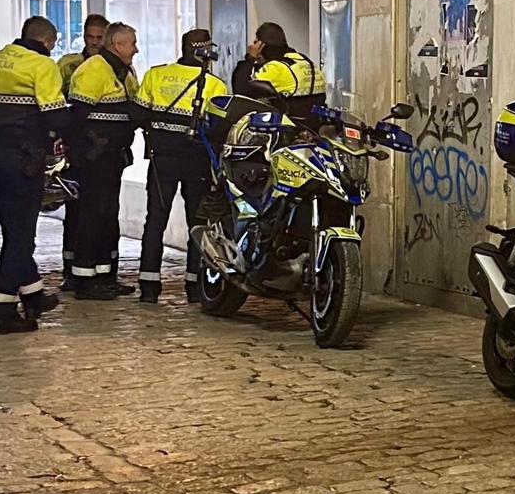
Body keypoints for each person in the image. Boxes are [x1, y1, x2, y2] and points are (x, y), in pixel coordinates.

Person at [0, 16, 70, 334]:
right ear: (49, 43)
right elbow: (55, 116)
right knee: (21, 238)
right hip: (23, 163)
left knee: (13, 232)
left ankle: (34, 295)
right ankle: (1, 311)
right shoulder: (42, 66)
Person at [133, 28, 230, 303]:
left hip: (161, 158)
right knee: (197, 224)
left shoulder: (156, 74)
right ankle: (194, 286)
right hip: (196, 161)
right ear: (204, 50)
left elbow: (139, 114)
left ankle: (149, 286)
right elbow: (217, 127)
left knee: (155, 220)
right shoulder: (214, 84)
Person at [65, 21, 141, 301]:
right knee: (92, 215)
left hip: (113, 157)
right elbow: (77, 116)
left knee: (108, 217)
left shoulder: (123, 70)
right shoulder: (94, 69)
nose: (136, 49)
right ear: (118, 45)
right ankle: (85, 280)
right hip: (94, 158)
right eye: (132, 43)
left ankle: (106, 276)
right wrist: (85, 151)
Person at [55, 15, 107, 277]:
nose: (95, 42)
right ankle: (71, 267)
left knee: (104, 212)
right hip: (75, 146)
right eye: (91, 37)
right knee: (74, 209)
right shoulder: (68, 64)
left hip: (105, 150)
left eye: (100, 38)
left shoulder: (117, 67)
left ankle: (102, 268)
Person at [231, 22, 328, 119]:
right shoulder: (305, 61)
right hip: (314, 126)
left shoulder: (277, 68)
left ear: (262, 46)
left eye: (256, 43)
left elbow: (240, 88)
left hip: (291, 128)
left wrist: (250, 58)